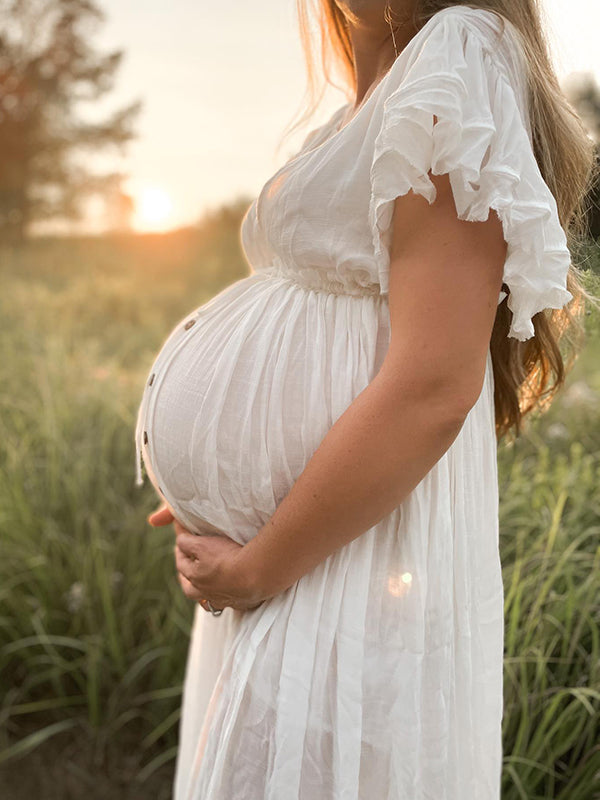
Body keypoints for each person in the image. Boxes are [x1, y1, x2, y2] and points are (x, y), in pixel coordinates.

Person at [137, 1, 596, 797]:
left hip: (336, 551)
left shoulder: (459, 51)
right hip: (304, 529)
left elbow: (432, 385)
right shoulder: (368, 93)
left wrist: (256, 565)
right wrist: (228, 478)